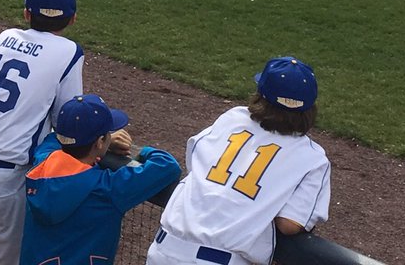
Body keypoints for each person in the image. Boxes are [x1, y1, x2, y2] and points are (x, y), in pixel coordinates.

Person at [146, 56, 330, 265]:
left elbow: (196, 162)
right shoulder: (313, 158)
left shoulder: (232, 118)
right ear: (309, 109)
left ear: (261, 96)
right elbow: (290, 224)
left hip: (164, 250)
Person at [0, 0, 85, 265]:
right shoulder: (69, 51)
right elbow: (68, 118)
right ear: (73, 18)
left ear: (27, 13)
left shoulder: (6, 36)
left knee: (3, 244)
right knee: (12, 258)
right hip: (6, 178)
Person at [22, 94, 181, 265]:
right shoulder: (108, 189)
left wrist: (102, 142)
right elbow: (167, 165)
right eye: (108, 133)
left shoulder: (43, 161)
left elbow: (53, 140)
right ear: (99, 142)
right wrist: (141, 152)